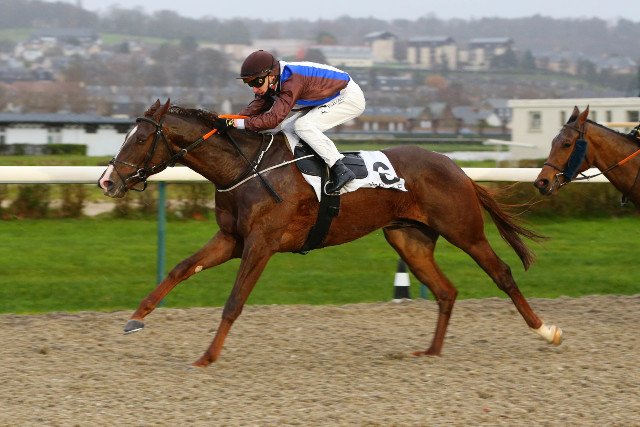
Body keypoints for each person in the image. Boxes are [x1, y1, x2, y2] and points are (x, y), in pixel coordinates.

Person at [213, 49, 366, 194]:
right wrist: (231, 120)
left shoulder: (292, 81)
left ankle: (341, 170)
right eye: (250, 84)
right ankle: (307, 166)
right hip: (326, 98)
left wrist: (234, 124)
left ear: (270, 76)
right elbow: (255, 108)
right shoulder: (274, 80)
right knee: (288, 127)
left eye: (257, 82)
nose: (254, 89)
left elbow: (272, 120)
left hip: (348, 97)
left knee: (303, 126)